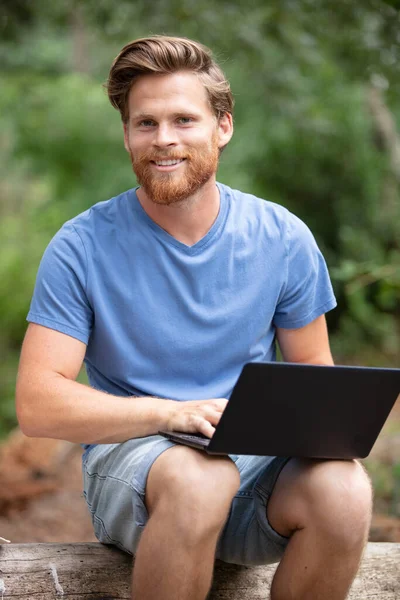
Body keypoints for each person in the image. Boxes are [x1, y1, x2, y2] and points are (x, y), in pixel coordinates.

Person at [16, 36, 372, 600]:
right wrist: (172, 414)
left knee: (345, 488)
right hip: (139, 468)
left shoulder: (281, 237)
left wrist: (333, 431)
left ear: (223, 126)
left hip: (256, 475)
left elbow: (315, 384)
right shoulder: (81, 246)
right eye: (145, 123)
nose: (164, 140)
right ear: (127, 133)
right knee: (200, 477)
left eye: (183, 119)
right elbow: (38, 402)